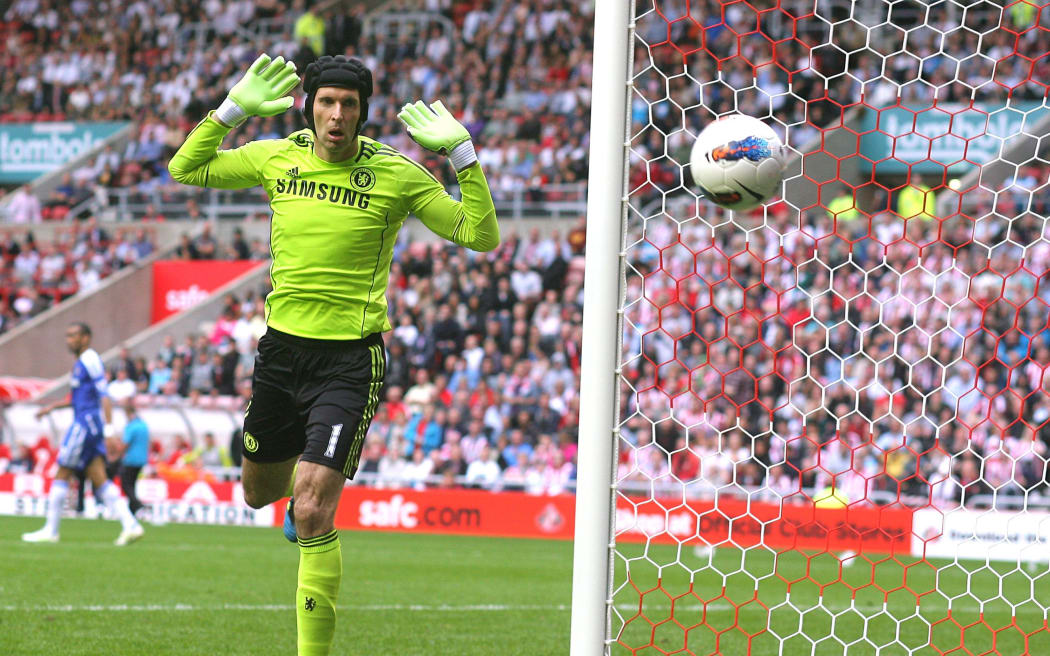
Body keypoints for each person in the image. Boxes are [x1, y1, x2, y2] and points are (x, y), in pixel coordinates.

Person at [168, 53, 498, 656]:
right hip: (281, 353)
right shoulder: (277, 156)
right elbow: (185, 168)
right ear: (309, 106)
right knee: (258, 493)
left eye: (348, 104)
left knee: (315, 507)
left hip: (350, 359)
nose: (337, 114)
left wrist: (462, 156)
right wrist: (232, 110)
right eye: (327, 102)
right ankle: (303, 482)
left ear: (364, 113)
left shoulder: (396, 174)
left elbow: (480, 234)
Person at [23, 323, 144, 546]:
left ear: (86, 338)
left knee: (62, 470)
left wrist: (109, 431)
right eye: (67, 336)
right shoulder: (81, 363)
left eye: (74, 336)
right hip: (88, 423)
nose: (69, 340)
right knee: (99, 478)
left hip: (85, 425)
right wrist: (52, 408)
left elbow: (104, 395)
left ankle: (51, 530)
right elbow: (77, 398)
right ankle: (131, 525)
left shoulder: (89, 359)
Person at [117, 401, 150, 516]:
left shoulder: (131, 427)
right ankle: (133, 510)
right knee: (132, 484)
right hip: (142, 460)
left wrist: (117, 454)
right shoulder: (144, 425)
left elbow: (125, 444)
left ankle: (138, 505)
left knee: (126, 484)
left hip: (131, 460)